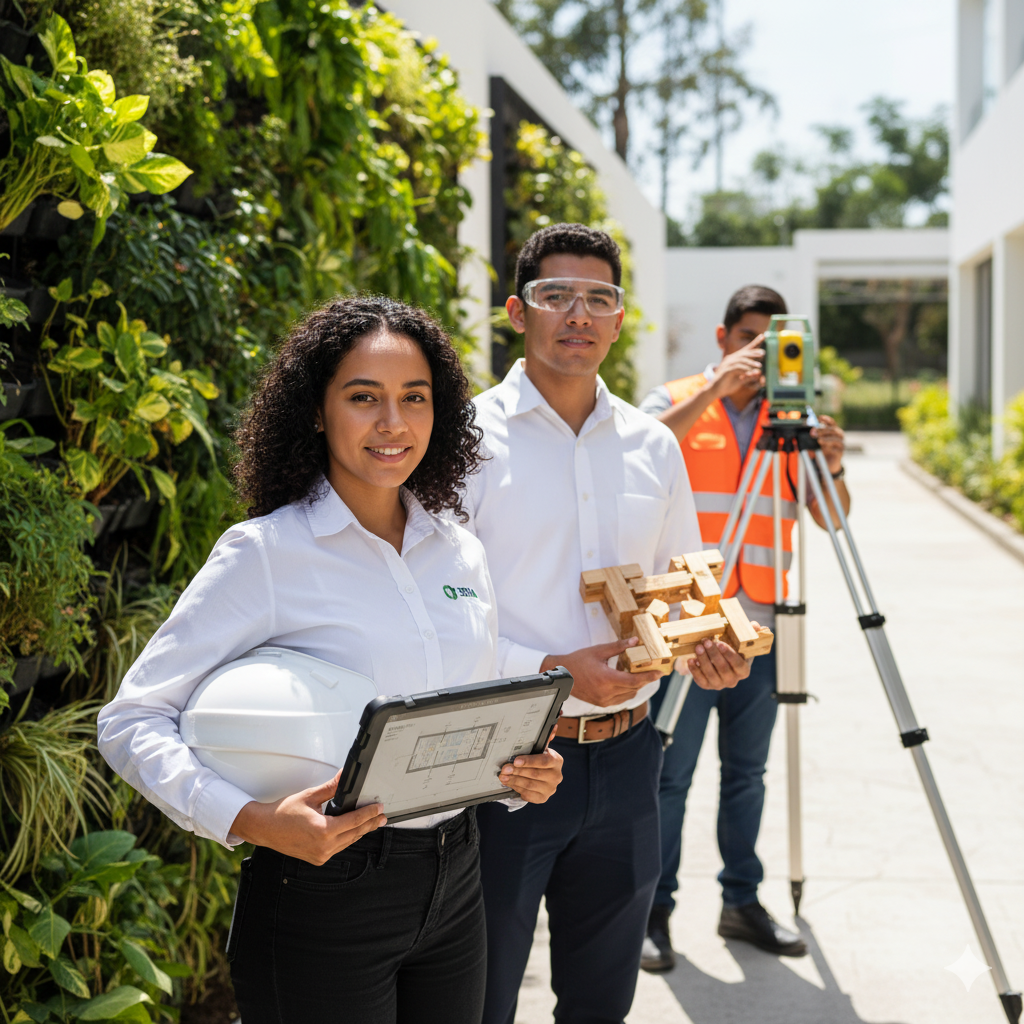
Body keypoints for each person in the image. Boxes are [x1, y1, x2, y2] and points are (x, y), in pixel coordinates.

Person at [96, 297, 564, 1024]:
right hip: (322, 887)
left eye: (415, 398)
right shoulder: (268, 554)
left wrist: (517, 776)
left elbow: (461, 714)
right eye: (363, 398)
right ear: (317, 412)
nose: (393, 424)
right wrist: (250, 820)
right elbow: (131, 720)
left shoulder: (460, 550)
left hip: (459, 876)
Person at [461, 224, 755, 1024]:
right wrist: (553, 669)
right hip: (506, 762)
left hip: (629, 760)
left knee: (602, 1003)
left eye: (599, 298)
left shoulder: (654, 446)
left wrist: (707, 648)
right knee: (481, 997)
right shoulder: (464, 442)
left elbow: (683, 586)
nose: (578, 314)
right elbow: (433, 613)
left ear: (620, 320)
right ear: (519, 312)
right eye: (557, 296)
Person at [637, 284, 850, 971]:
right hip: (686, 626)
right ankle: (653, 911)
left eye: (777, 342)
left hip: (761, 621)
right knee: (669, 779)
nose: (762, 354)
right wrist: (714, 392)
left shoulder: (790, 418)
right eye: (751, 339)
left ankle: (742, 900)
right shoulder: (671, 399)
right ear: (724, 338)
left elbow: (831, 516)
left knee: (748, 774)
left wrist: (834, 463)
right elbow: (634, 456)